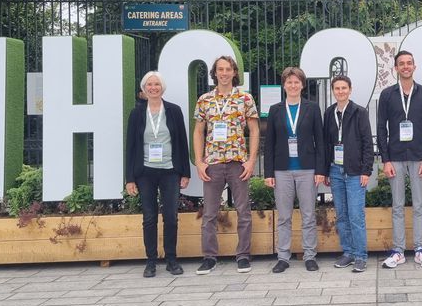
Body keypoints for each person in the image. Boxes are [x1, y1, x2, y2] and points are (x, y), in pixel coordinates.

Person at [193, 56, 260, 275]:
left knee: (243, 211)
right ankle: (209, 257)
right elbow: (198, 131)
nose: (224, 73)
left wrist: (251, 161)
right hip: (212, 163)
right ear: (215, 73)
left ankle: (243, 255)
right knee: (209, 213)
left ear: (234, 72)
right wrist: (199, 162)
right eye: (220, 69)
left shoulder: (245, 98)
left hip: (237, 163)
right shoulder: (204, 100)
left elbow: (254, 130)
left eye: (228, 69)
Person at [125, 71, 191, 278]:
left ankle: (171, 259)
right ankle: (151, 261)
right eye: (149, 85)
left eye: (157, 84)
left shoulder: (174, 111)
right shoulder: (136, 114)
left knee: (171, 217)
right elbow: (130, 146)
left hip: (170, 171)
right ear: (144, 89)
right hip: (145, 172)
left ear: (162, 88)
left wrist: (185, 173)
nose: (153, 88)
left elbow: (182, 142)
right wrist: (129, 178)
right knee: (149, 217)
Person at [377, 50, 422, 268]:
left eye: (409, 63)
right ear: (396, 68)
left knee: (419, 205)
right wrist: (385, 160)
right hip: (395, 157)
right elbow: (381, 129)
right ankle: (398, 251)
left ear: (414, 66)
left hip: (419, 157)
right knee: (397, 206)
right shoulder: (387, 95)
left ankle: (420, 249)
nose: (405, 66)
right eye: (401, 63)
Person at [264, 67, 326, 273]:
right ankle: (283, 257)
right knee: (284, 217)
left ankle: (310, 255)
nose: (293, 85)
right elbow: (269, 143)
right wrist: (268, 173)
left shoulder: (312, 108)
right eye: (289, 82)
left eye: (296, 82)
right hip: (282, 170)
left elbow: (320, 141)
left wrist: (320, 170)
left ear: (302, 85)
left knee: (308, 215)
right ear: (284, 85)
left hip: (307, 169)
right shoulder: (275, 110)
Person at [322, 76, 374, 273]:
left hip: (355, 171)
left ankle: (361, 256)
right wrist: (325, 170)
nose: (341, 91)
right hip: (335, 170)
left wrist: (366, 170)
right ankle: (348, 252)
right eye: (337, 88)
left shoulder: (360, 112)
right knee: (342, 215)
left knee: (356, 216)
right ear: (333, 91)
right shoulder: (329, 113)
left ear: (350, 90)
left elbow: (367, 143)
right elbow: (326, 144)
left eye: (344, 88)